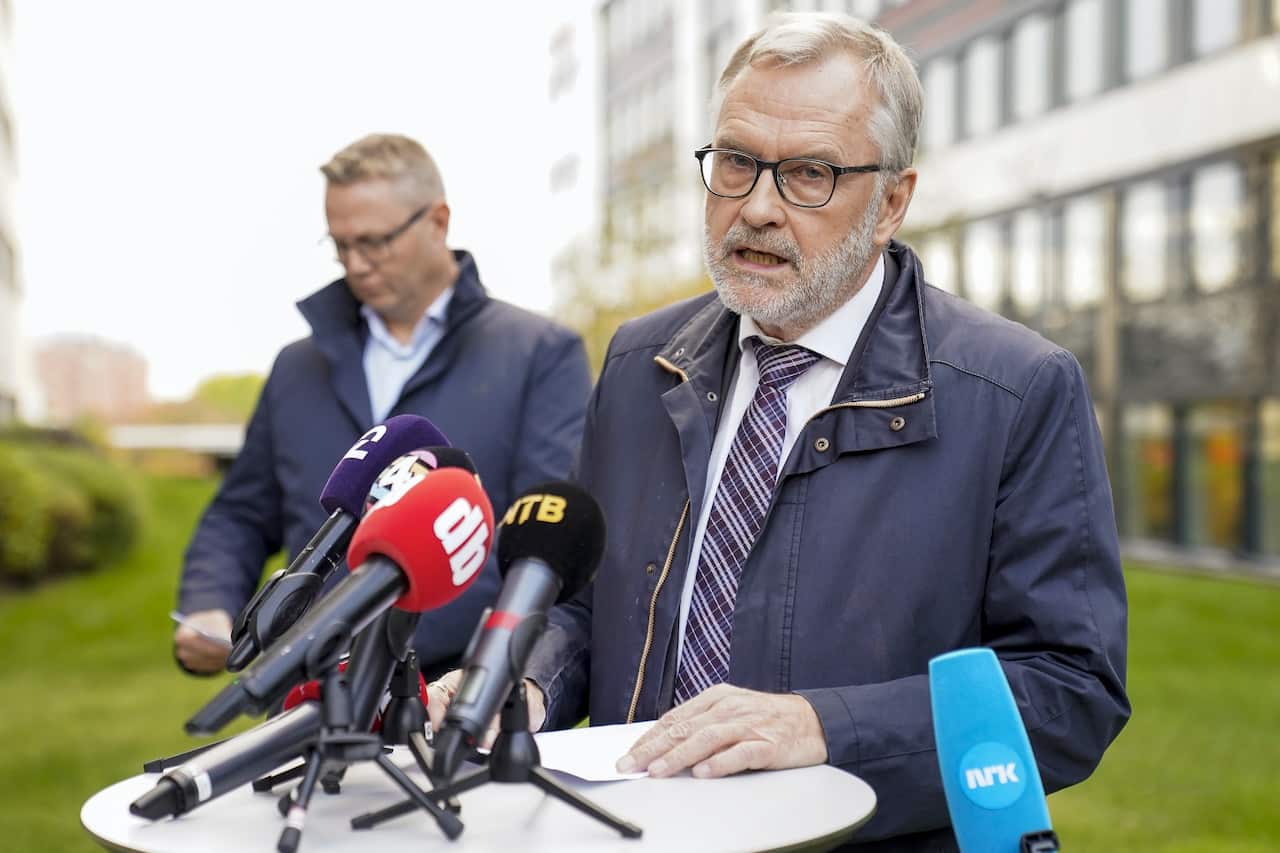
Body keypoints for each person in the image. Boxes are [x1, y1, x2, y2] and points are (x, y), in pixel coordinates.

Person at [429, 13, 1129, 850]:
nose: (756, 207)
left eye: (810, 174)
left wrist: (823, 728)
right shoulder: (642, 361)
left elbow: (1069, 689)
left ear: (891, 202)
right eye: (736, 162)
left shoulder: (1014, 391)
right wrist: (527, 679)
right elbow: (588, 604)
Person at [173, 133, 591, 680]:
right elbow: (243, 512)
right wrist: (211, 601)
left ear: (438, 222)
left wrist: (495, 676)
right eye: (340, 245)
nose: (356, 264)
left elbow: (540, 542)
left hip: (457, 695)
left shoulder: (540, 354)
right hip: (308, 693)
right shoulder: (297, 367)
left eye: (374, 242)